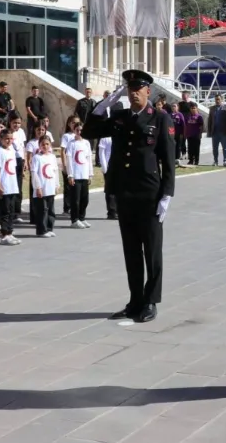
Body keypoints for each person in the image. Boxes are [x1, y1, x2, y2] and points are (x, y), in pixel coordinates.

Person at [82, 69, 175, 323]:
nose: (134, 93)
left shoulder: (160, 118)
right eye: (130, 89)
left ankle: (150, 301)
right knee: (131, 251)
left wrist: (167, 195)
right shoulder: (120, 117)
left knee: (152, 251)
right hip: (125, 192)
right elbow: (88, 131)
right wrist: (105, 104)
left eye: (138, 89)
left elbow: (168, 160)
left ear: (148, 91)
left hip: (150, 194)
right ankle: (135, 300)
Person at [0, 129, 22, 246]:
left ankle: (10, 232)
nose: (9, 141)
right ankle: (4, 234)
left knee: (11, 211)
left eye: (11, 139)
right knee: (5, 211)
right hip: (4, 185)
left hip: (12, 185)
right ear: (1, 139)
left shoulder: (11, 150)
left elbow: (12, 168)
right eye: (6, 139)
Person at [64, 122, 94, 229]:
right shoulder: (71, 144)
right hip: (76, 175)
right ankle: (74, 220)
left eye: (81, 130)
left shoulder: (86, 143)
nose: (79, 132)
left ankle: (82, 217)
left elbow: (89, 159)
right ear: (74, 131)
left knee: (84, 199)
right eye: (77, 130)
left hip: (84, 174)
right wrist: (70, 175)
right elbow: (69, 160)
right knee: (75, 200)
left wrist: (90, 174)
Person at [31, 136, 60, 237]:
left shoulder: (52, 157)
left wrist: (57, 184)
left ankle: (49, 228)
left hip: (50, 187)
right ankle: (41, 230)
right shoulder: (36, 157)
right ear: (39, 145)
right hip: (42, 188)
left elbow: (55, 171)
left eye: (47, 144)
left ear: (50, 145)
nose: (45, 146)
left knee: (51, 210)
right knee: (42, 210)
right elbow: (34, 173)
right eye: (43, 144)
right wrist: (38, 187)